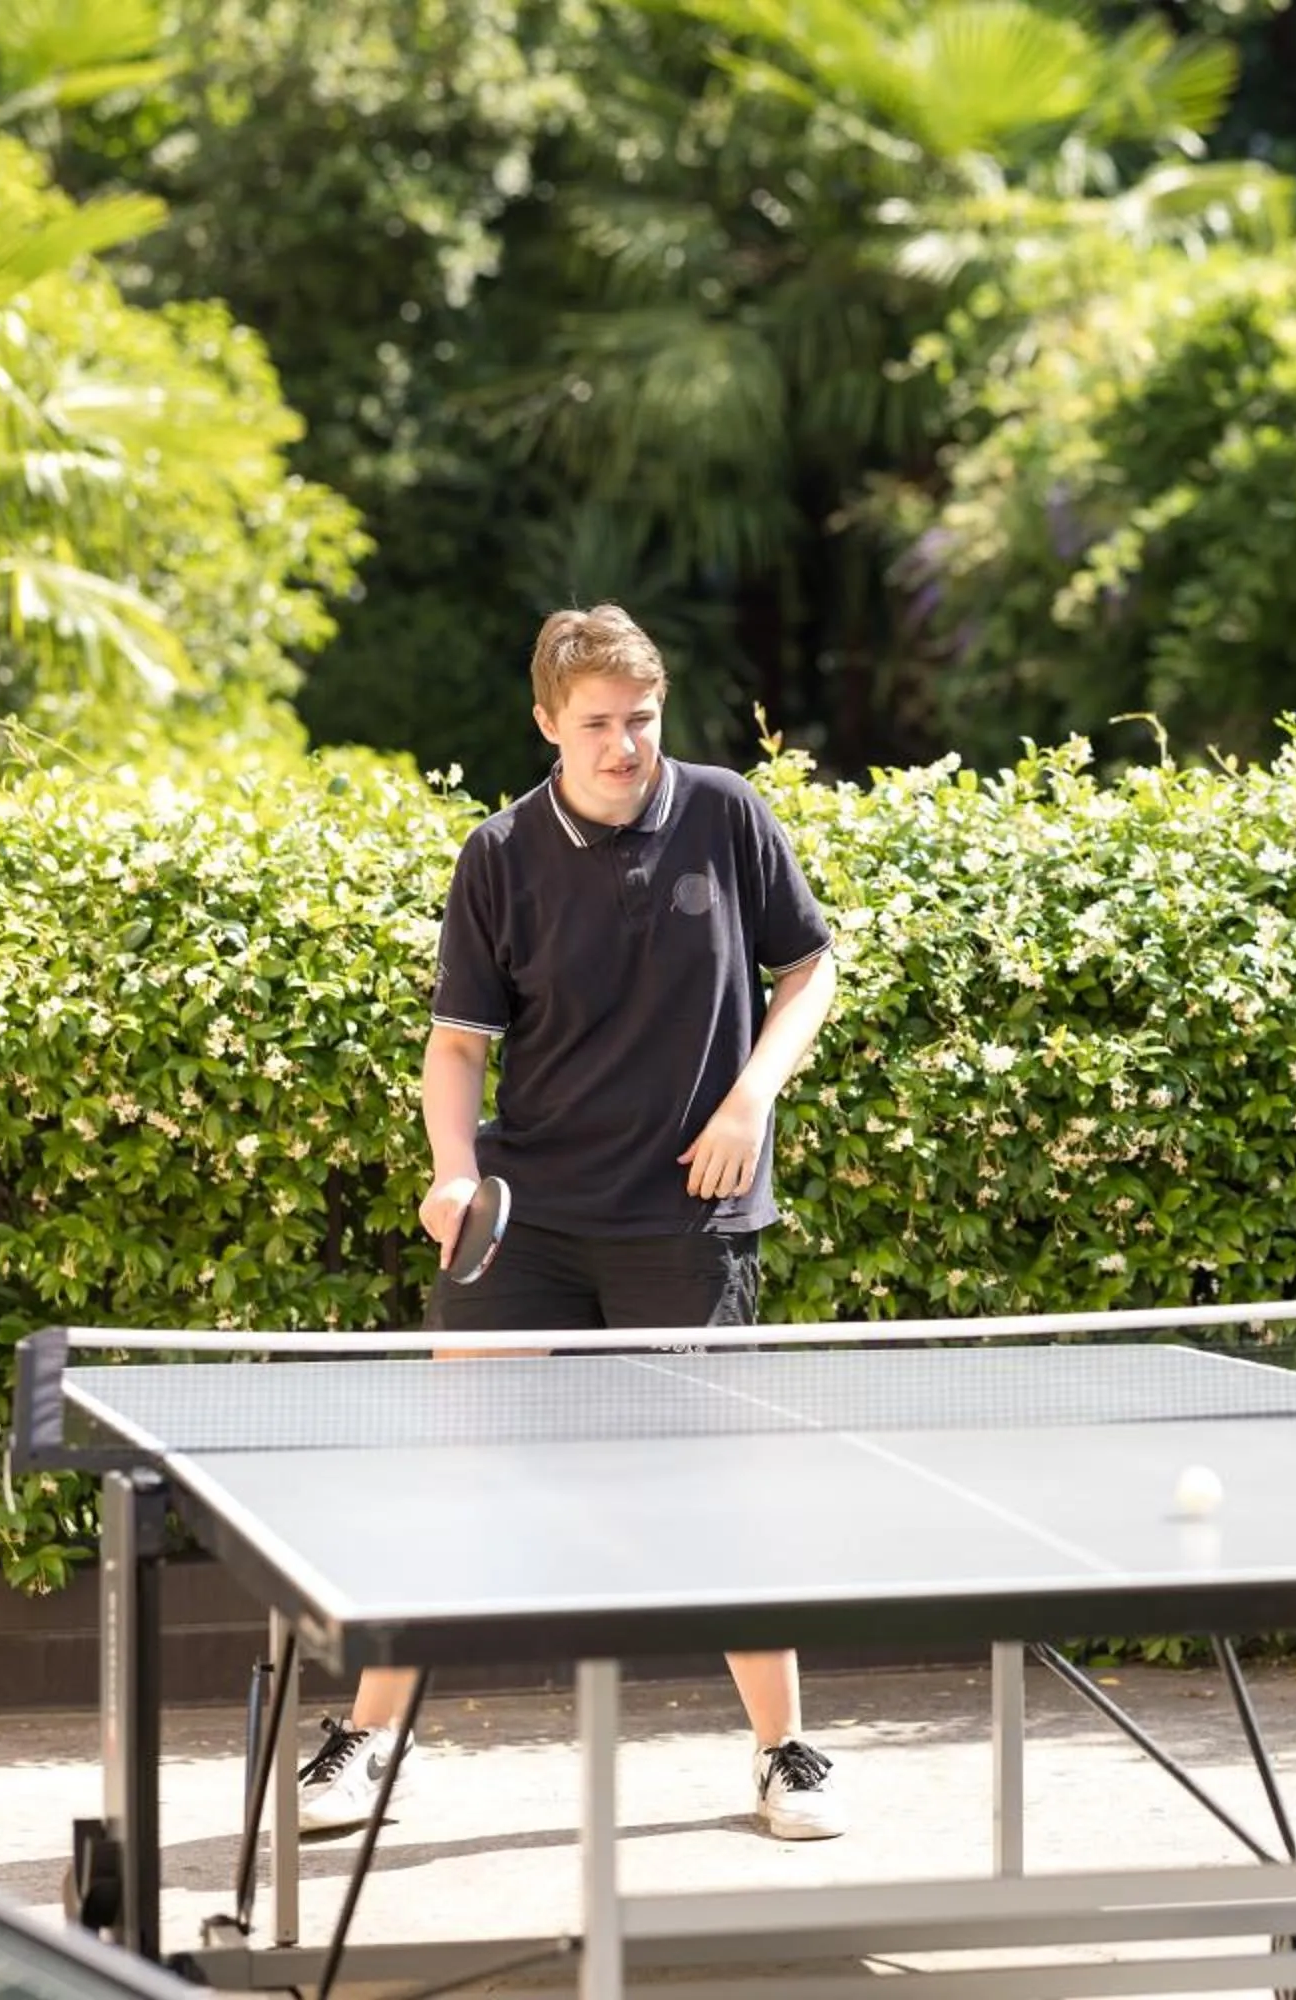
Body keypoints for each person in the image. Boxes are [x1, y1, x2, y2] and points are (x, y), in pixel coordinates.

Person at [296, 603, 847, 1842]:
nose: (623, 746)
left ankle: (785, 1750)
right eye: (595, 724)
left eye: (640, 720)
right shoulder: (499, 854)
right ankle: (369, 1738)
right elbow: (456, 1047)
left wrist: (751, 1095)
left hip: (688, 1213)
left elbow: (808, 966)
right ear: (547, 723)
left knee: (716, 1491)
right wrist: (452, 1171)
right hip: (530, 1217)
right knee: (458, 1474)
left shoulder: (726, 815)